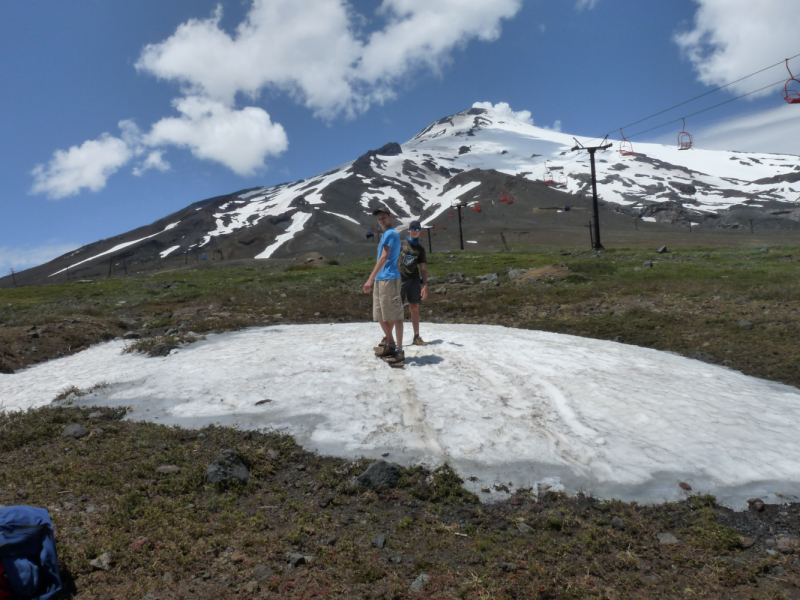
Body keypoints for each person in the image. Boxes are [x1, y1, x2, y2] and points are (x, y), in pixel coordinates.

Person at [363, 206, 404, 367]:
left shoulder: (391, 234)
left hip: (389, 278)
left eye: (383, 217)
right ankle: (391, 344)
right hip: (381, 279)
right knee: (380, 314)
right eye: (379, 218)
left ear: (390, 216)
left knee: (395, 314)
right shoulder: (386, 235)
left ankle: (399, 350)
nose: (381, 220)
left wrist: (370, 279)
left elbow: (384, 258)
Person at [399, 220, 428, 345]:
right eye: (413, 228)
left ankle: (416, 336)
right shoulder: (400, 244)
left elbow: (423, 268)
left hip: (414, 280)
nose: (415, 231)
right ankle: (388, 337)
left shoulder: (421, 249)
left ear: (419, 231)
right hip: (400, 280)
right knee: (395, 308)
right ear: (409, 230)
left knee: (414, 307)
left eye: (417, 229)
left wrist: (425, 285)